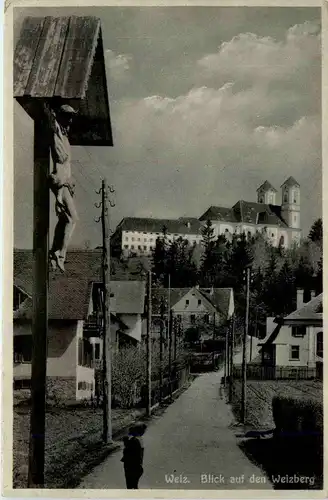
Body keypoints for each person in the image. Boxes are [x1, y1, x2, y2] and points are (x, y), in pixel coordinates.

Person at [43, 102, 79, 273]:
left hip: (64, 181)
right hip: (59, 180)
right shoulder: (58, 134)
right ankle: (59, 254)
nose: (71, 121)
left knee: (66, 218)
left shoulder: (64, 136)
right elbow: (60, 164)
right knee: (72, 218)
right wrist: (59, 193)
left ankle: (55, 253)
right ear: (62, 118)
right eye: (68, 117)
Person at [121, 423, 147, 489]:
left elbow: (127, 452)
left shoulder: (134, 441)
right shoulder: (139, 440)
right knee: (134, 485)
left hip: (131, 466)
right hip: (136, 466)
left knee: (130, 485)